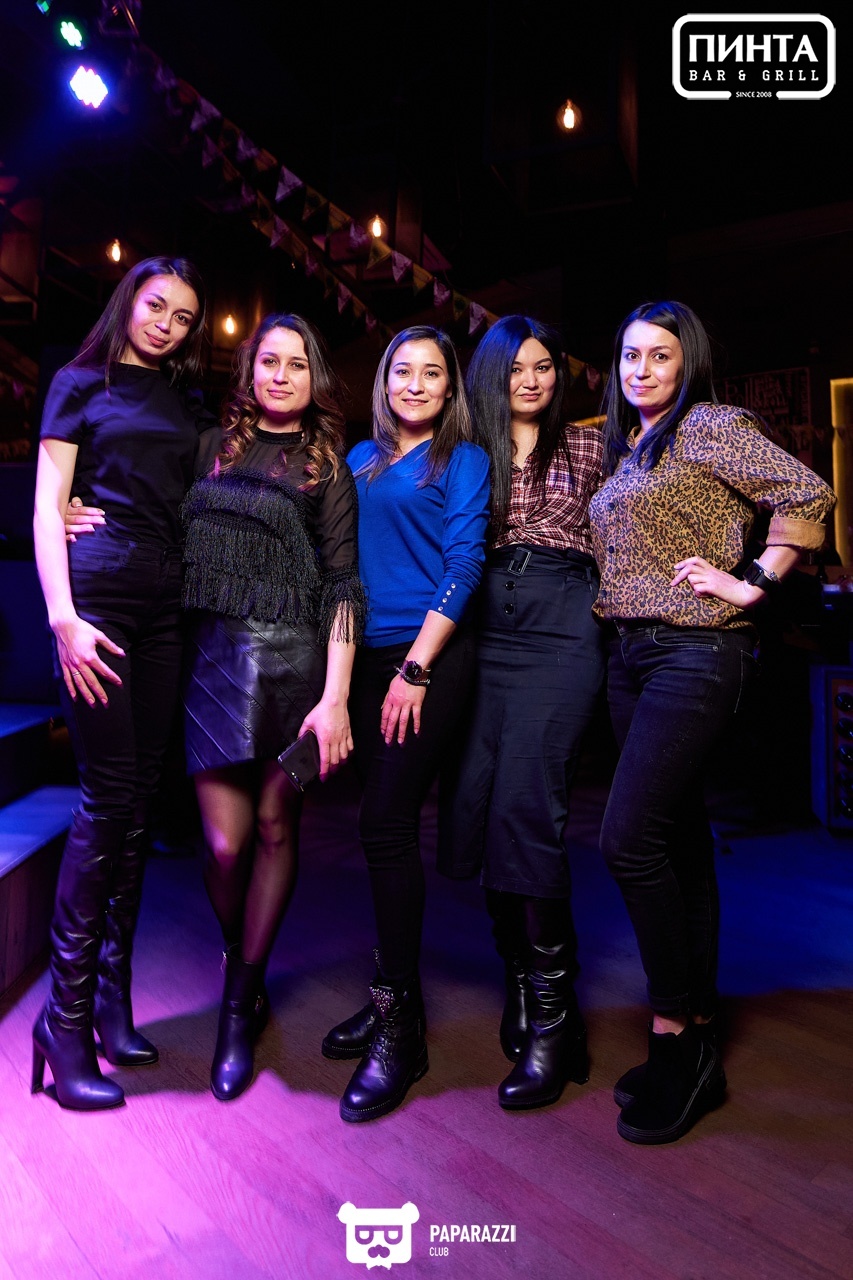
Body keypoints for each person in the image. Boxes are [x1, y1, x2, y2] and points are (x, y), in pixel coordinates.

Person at [588, 300, 835, 1145]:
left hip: (695, 651)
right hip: (629, 654)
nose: (641, 370)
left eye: (658, 355)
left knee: (627, 840)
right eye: (629, 356)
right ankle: (695, 1039)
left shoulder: (709, 426)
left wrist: (752, 582)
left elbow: (806, 491)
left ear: (685, 362)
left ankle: (671, 1029)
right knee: (679, 841)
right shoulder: (634, 446)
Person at [32, 255, 208, 1110]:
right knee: (106, 799)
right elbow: (47, 504)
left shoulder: (185, 401)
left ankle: (109, 1004)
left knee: (138, 803)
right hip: (97, 599)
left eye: (183, 317)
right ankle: (61, 1024)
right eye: (156, 306)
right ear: (128, 301)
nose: (166, 325)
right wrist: (62, 617)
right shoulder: (78, 382)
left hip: (166, 608)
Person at [181, 313, 365, 1102]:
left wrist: (336, 698)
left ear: (313, 378)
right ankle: (240, 965)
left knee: (273, 827)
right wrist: (76, 508)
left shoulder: (327, 467)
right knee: (224, 848)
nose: (281, 375)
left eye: (296, 364)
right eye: (269, 361)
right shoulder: (210, 449)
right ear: (249, 370)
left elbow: (344, 588)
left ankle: (238, 1004)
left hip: (295, 666)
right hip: (212, 661)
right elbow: (160, 526)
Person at [321, 325, 490, 1122]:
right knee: (375, 827)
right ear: (384, 382)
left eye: (431, 373)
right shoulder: (359, 459)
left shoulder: (462, 459)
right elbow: (335, 560)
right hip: (363, 654)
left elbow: (464, 563)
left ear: (450, 387)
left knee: (386, 825)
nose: (415, 385)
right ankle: (393, 994)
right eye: (402, 372)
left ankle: (401, 1029)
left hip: (428, 659)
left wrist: (415, 670)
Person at [438, 315, 605, 1110]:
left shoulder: (592, 447)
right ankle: (522, 978)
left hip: (561, 628)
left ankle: (552, 1017)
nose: (532, 381)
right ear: (491, 375)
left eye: (543, 367)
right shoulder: (466, 450)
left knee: (526, 809)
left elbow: (637, 522)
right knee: (475, 810)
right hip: (481, 634)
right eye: (516, 369)